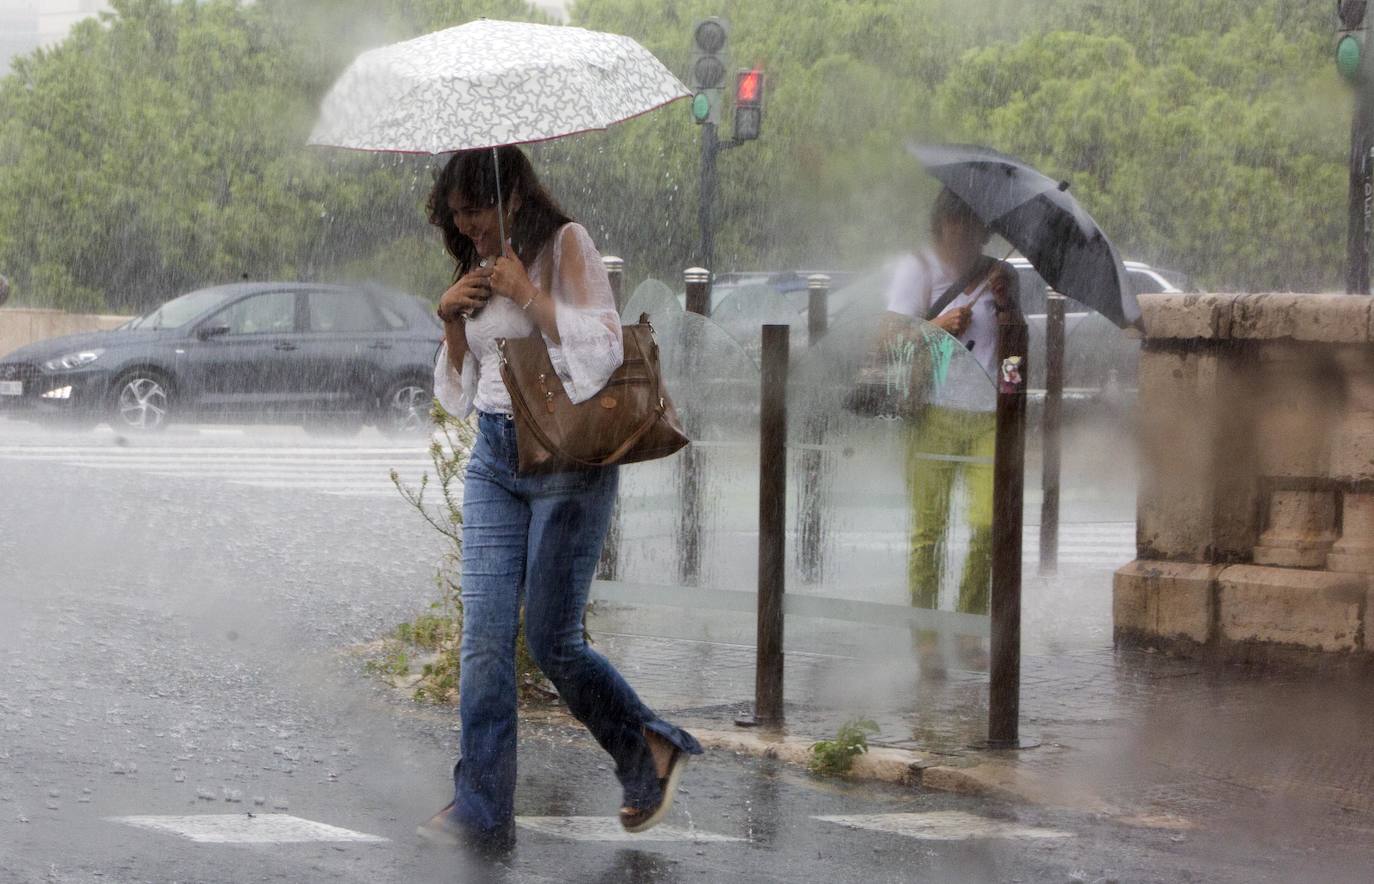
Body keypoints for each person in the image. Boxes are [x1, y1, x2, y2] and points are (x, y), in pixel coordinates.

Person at [421, 146, 702, 853]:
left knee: (552, 639)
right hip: (494, 457)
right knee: (484, 640)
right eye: (457, 218)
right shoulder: (479, 263)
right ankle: (481, 810)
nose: (471, 229)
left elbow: (604, 351)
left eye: (477, 211)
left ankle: (647, 747)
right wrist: (453, 320)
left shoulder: (565, 244)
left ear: (511, 194)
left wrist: (529, 294)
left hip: (567, 461)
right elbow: (458, 395)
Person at [882, 188, 1018, 625]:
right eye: (955, 221)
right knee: (929, 532)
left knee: (986, 524)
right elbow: (888, 340)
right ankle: (924, 632)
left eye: (973, 223)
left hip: (986, 419)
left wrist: (1006, 308)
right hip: (932, 413)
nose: (963, 232)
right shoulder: (917, 270)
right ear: (940, 223)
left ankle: (968, 624)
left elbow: (1018, 351)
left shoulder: (1000, 275)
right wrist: (935, 327)